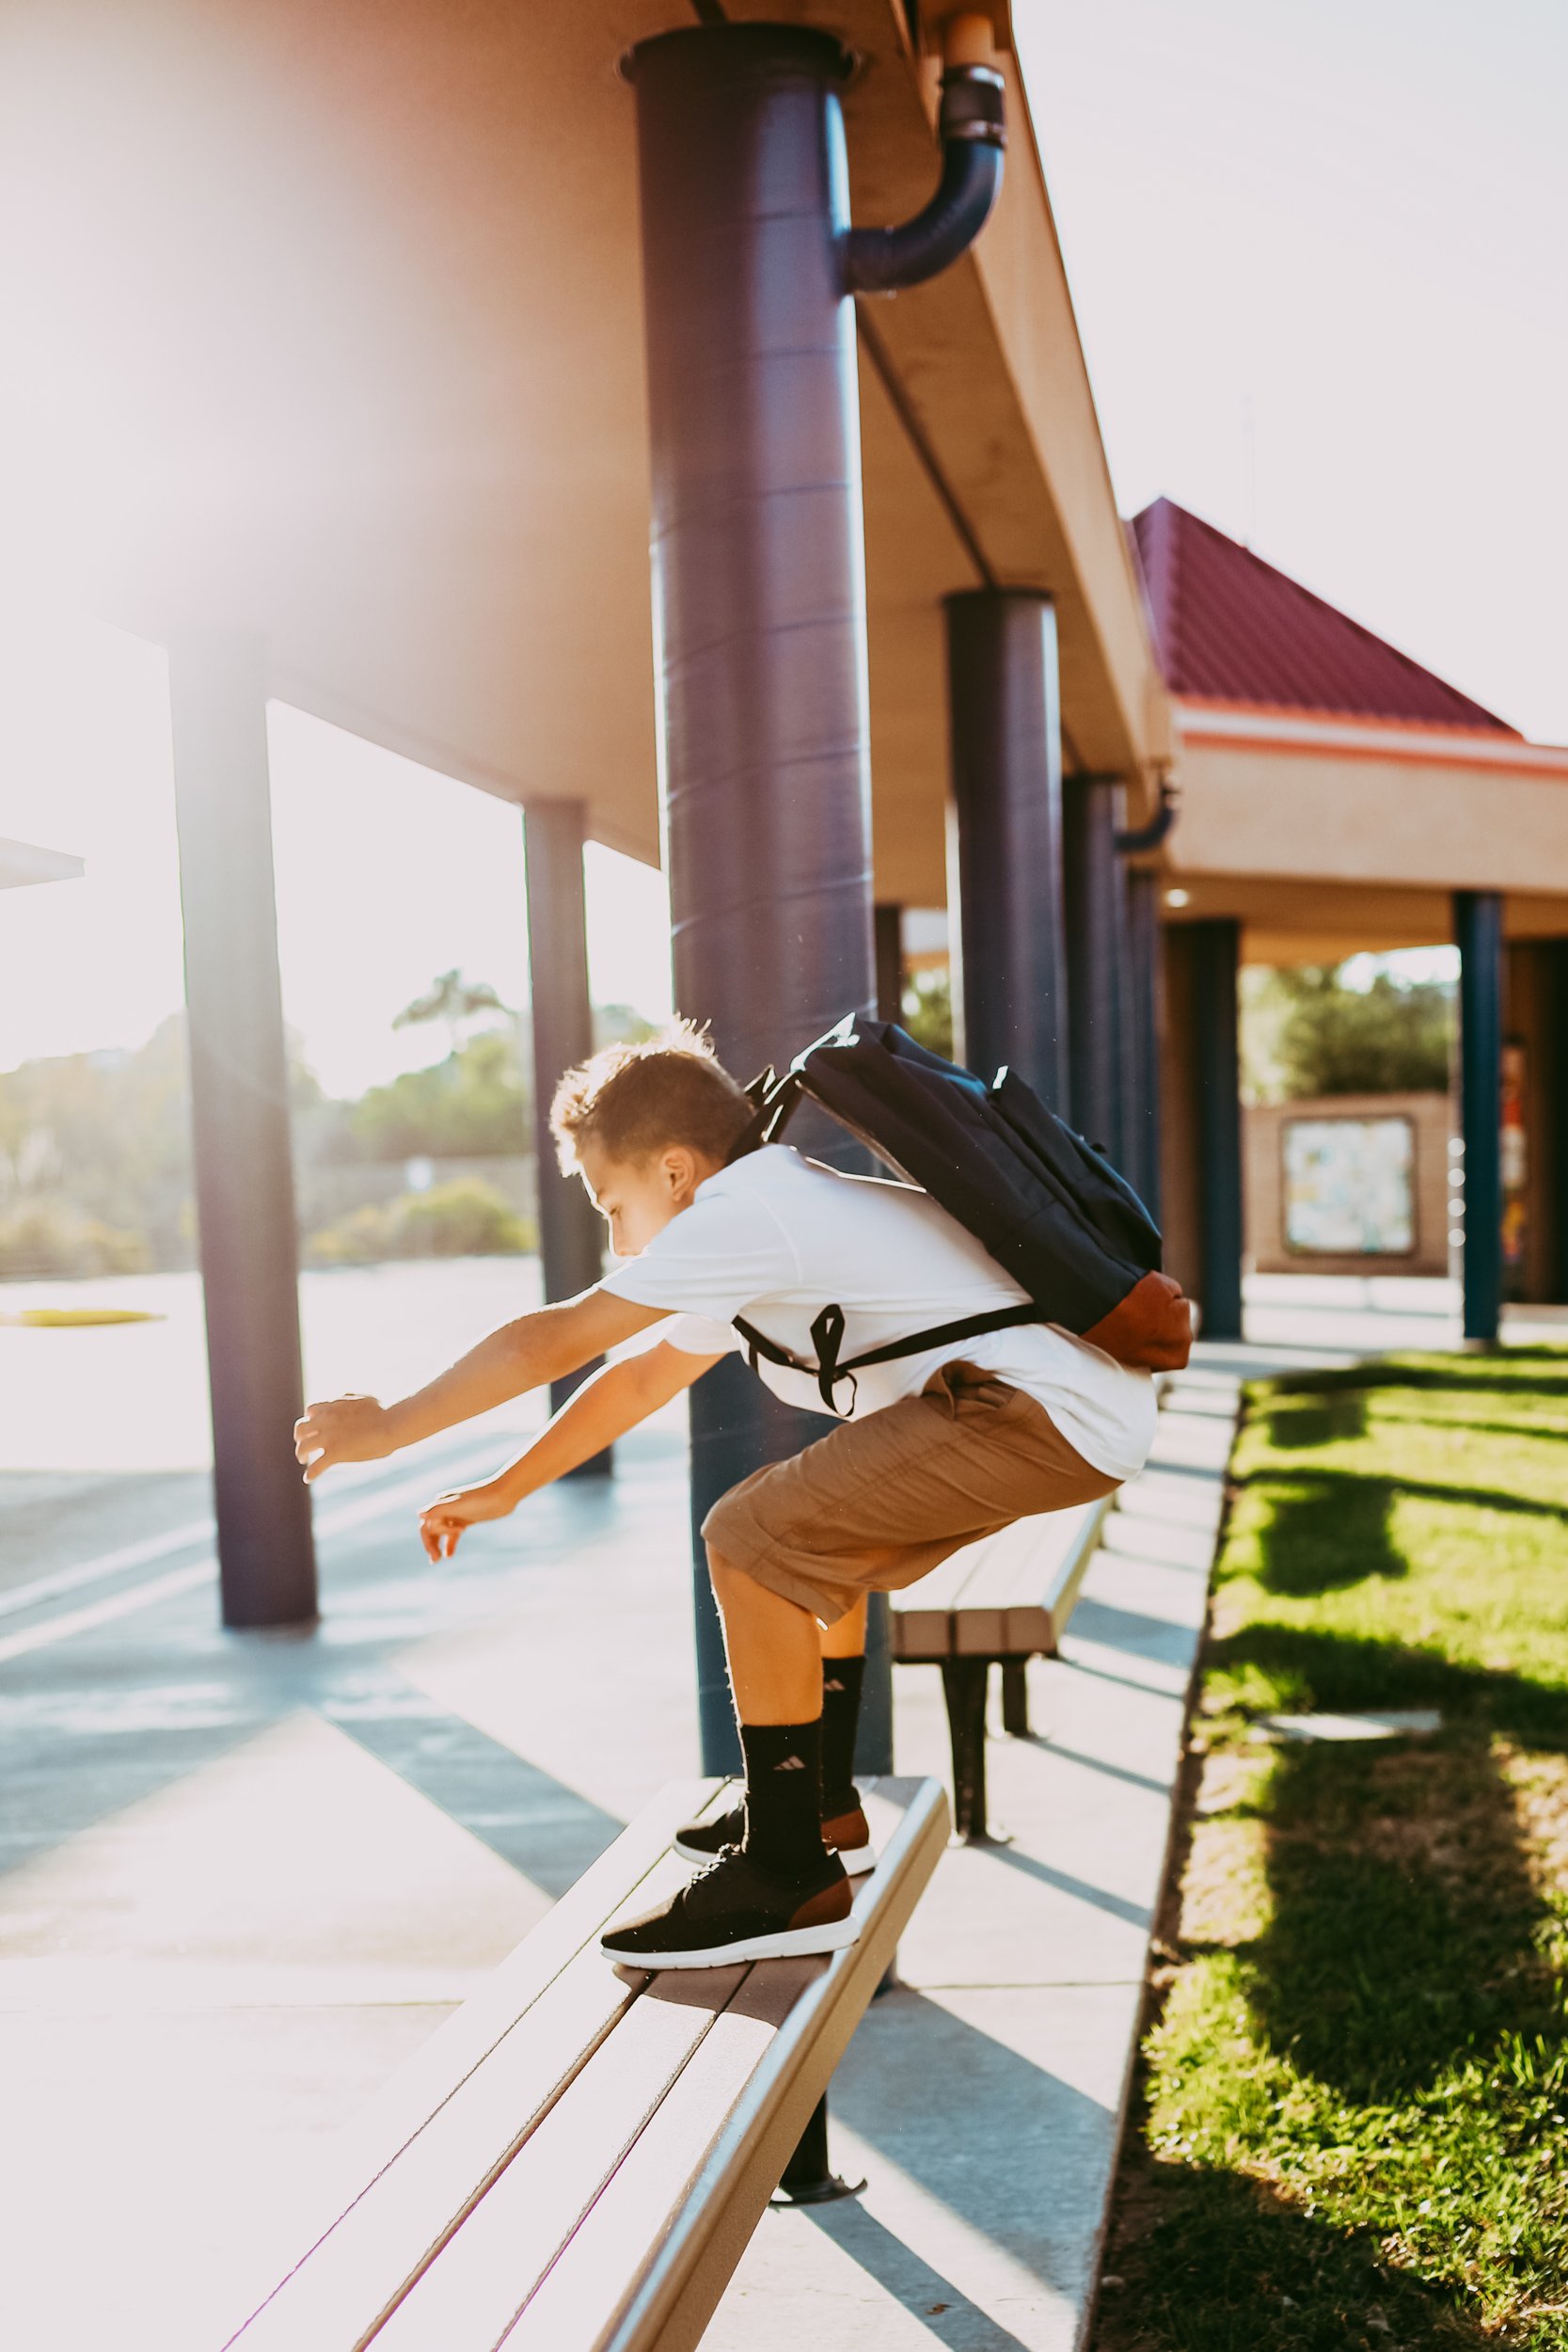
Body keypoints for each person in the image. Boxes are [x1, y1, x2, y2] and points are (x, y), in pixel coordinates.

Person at [293, 1026, 1157, 1971]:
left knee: (749, 1537)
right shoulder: (763, 1208)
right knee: (807, 1535)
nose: (616, 1241)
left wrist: (387, 1424)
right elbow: (636, 1381)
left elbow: (556, 1340)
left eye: (609, 1204)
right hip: (1061, 1407)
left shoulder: (745, 1216)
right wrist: (505, 1488)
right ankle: (816, 1801)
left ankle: (788, 1870)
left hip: (1040, 1410)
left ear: (672, 1170)